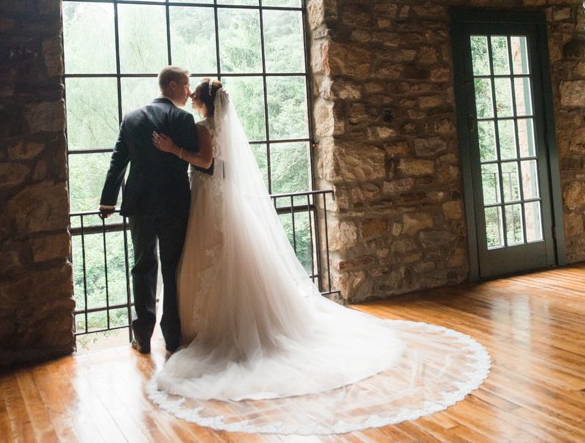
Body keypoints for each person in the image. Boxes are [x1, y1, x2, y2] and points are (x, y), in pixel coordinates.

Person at [149, 79, 403, 402]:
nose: (191, 97)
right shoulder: (223, 126)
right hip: (222, 197)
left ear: (204, 101)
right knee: (230, 255)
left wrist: (174, 150)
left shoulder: (203, 127)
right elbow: (223, 166)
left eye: (195, 94)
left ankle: (211, 328)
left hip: (209, 200)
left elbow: (206, 162)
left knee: (213, 255)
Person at [99, 66, 199, 355]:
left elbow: (118, 161)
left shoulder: (131, 119)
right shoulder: (182, 118)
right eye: (185, 84)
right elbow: (195, 159)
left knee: (142, 266)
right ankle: (172, 337)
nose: (188, 91)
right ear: (170, 85)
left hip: (139, 204)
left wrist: (108, 201)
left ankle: (142, 336)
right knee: (171, 267)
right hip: (174, 203)